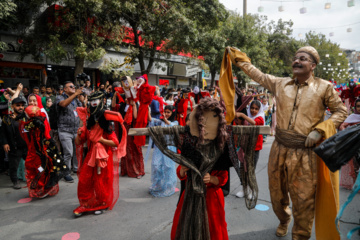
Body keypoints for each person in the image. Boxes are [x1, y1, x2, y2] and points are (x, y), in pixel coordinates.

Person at [225, 46, 347, 239]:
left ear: (313, 65)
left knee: (303, 199)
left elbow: (341, 111)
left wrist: (320, 130)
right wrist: (239, 59)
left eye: (303, 58)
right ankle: (284, 219)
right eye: (295, 58)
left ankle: (300, 235)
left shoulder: (325, 87)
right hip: (279, 148)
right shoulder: (280, 83)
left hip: (305, 152)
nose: (297, 61)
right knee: (276, 195)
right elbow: (257, 74)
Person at [73, 91, 125, 217]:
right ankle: (86, 203)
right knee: (85, 180)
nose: (93, 103)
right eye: (91, 101)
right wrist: (79, 134)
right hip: (91, 155)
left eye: (95, 101)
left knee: (101, 181)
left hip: (103, 157)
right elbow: (80, 141)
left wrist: (100, 140)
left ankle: (102, 203)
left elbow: (115, 143)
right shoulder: (88, 122)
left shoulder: (107, 122)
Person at [20, 105, 67, 198]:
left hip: (39, 152)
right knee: (38, 168)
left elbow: (31, 135)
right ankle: (40, 187)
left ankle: (43, 187)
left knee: (40, 169)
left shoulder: (35, 124)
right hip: (36, 151)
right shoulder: (34, 123)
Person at [235, 100, 264, 198]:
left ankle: (251, 190)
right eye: (252, 108)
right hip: (245, 147)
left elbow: (255, 123)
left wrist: (243, 116)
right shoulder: (246, 118)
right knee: (243, 169)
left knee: (251, 169)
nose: (253, 110)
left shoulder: (260, 118)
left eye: (256, 109)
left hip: (255, 148)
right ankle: (244, 189)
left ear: (259, 110)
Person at [146, 105, 178, 197]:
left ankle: (169, 186)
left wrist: (165, 120)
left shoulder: (175, 122)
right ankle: (157, 185)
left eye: (169, 112)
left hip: (169, 148)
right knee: (156, 165)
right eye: (165, 111)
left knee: (168, 167)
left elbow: (171, 126)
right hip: (159, 148)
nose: (166, 114)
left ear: (172, 113)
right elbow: (150, 119)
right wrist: (147, 108)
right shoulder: (160, 122)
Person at [56, 81, 82, 182]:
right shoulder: (60, 97)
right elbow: (63, 104)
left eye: (74, 87)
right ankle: (66, 172)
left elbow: (81, 109)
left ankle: (75, 168)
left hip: (75, 130)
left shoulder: (76, 99)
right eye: (71, 87)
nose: (73, 88)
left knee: (76, 151)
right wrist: (75, 94)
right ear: (65, 89)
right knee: (68, 153)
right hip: (64, 130)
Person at [0, 98, 28, 189]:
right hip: (14, 146)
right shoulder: (6, 118)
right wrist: (5, 143)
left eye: (22, 105)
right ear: (12, 106)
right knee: (13, 165)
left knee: (31, 163)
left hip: (26, 145)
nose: (21, 107)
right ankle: (15, 181)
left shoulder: (26, 117)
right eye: (18, 105)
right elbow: (2, 132)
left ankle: (33, 178)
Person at [338, 98, 360, 190]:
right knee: (354, 165)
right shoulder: (352, 117)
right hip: (354, 144)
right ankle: (356, 185)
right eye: (358, 106)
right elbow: (342, 125)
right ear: (355, 107)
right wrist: (346, 132)